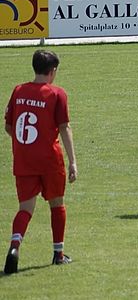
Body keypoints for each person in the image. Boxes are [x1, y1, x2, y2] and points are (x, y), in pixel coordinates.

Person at [3, 50, 77, 274]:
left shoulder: (18, 91)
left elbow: (9, 126)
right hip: (49, 160)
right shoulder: (57, 93)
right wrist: (73, 162)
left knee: (25, 208)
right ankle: (58, 254)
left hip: (24, 160)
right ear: (53, 71)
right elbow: (64, 127)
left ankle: (14, 246)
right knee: (57, 204)